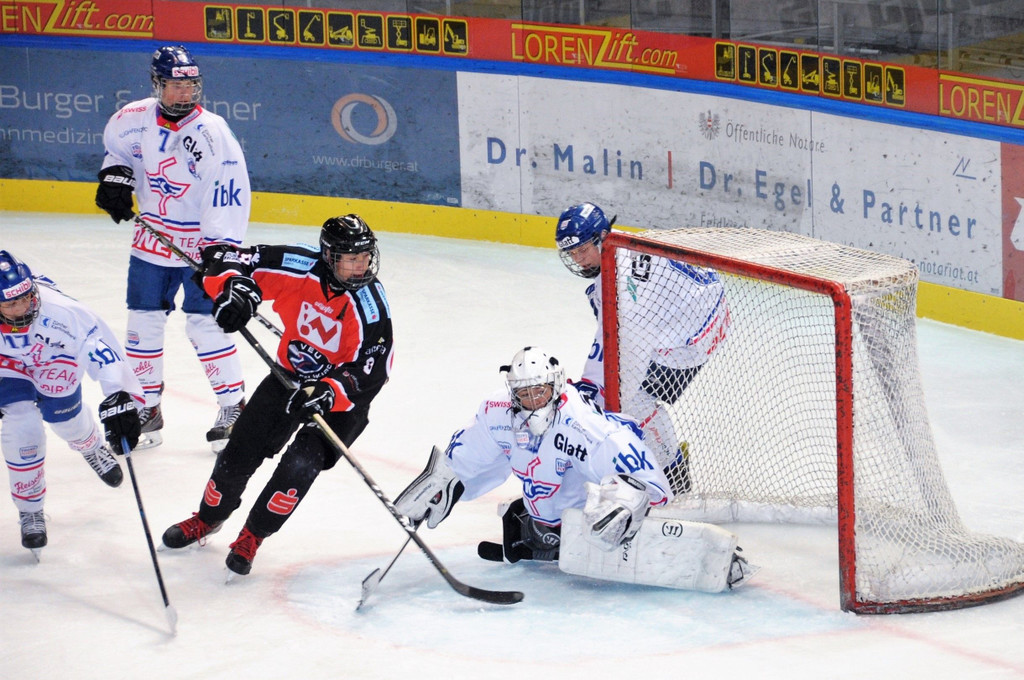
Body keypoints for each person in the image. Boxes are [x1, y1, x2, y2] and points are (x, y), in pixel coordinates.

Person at [160, 215, 394, 577]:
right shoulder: (298, 265)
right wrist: (234, 288)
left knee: (299, 466)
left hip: (339, 400)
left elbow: (374, 368)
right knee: (239, 451)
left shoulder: (370, 304)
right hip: (288, 377)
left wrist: (329, 391)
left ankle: (253, 536)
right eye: (351, 258)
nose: (361, 266)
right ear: (328, 256)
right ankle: (208, 518)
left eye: (365, 257)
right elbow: (225, 258)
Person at [94, 44, 250, 453]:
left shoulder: (213, 133)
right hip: (152, 240)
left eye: (191, 85)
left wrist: (220, 247)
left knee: (205, 324)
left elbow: (229, 190)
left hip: (200, 245)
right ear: (156, 84)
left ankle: (233, 406)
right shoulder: (132, 119)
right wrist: (115, 179)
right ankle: (146, 407)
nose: (185, 93)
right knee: (142, 322)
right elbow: (119, 153)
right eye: (176, 85)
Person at [396, 346, 673, 563]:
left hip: (583, 523)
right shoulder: (498, 412)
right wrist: (443, 483)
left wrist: (627, 504)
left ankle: (564, 531)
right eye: (524, 394)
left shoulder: (581, 424)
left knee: (617, 498)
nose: (532, 401)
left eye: (539, 392)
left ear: (555, 385)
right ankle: (538, 531)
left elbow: (651, 483)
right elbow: (468, 456)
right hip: (543, 523)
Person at [553, 202, 730, 495]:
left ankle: (674, 474)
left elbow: (627, 347)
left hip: (693, 336)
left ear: (602, 237)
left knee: (632, 401)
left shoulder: (623, 285)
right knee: (618, 390)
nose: (578, 259)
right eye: (571, 253)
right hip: (699, 307)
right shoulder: (620, 246)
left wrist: (596, 390)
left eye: (582, 250)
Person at [0, 251, 144, 555]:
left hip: (54, 358)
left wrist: (116, 394)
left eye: (26, 297)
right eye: (11, 304)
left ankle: (90, 446)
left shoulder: (61, 312)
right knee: (22, 425)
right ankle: (30, 509)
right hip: (7, 366)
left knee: (65, 420)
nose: (23, 307)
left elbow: (99, 349)